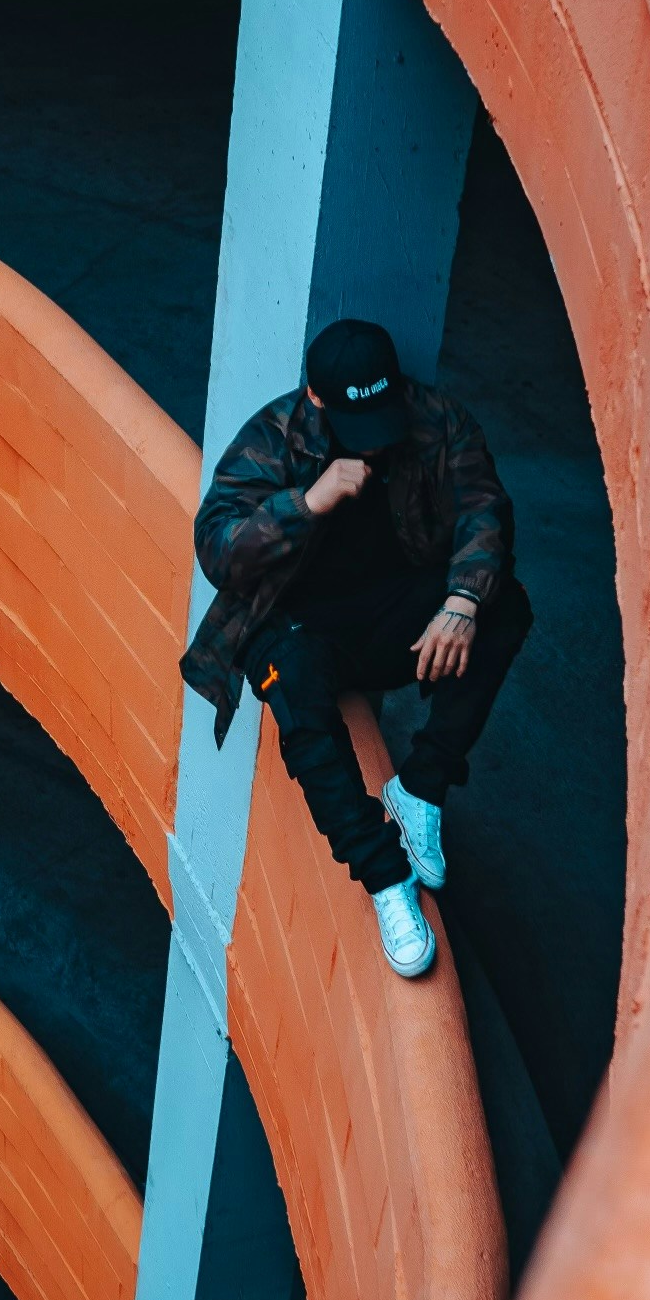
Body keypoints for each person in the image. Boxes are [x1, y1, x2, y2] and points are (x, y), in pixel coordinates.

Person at [182, 317, 532, 980]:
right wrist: (306, 503)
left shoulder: (434, 419)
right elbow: (218, 548)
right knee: (301, 709)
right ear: (316, 398)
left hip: (392, 613)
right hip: (292, 625)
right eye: (355, 417)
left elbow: (484, 509)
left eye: (383, 410)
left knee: (503, 606)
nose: (376, 435)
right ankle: (385, 878)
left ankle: (421, 790)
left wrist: (461, 602)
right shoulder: (273, 437)